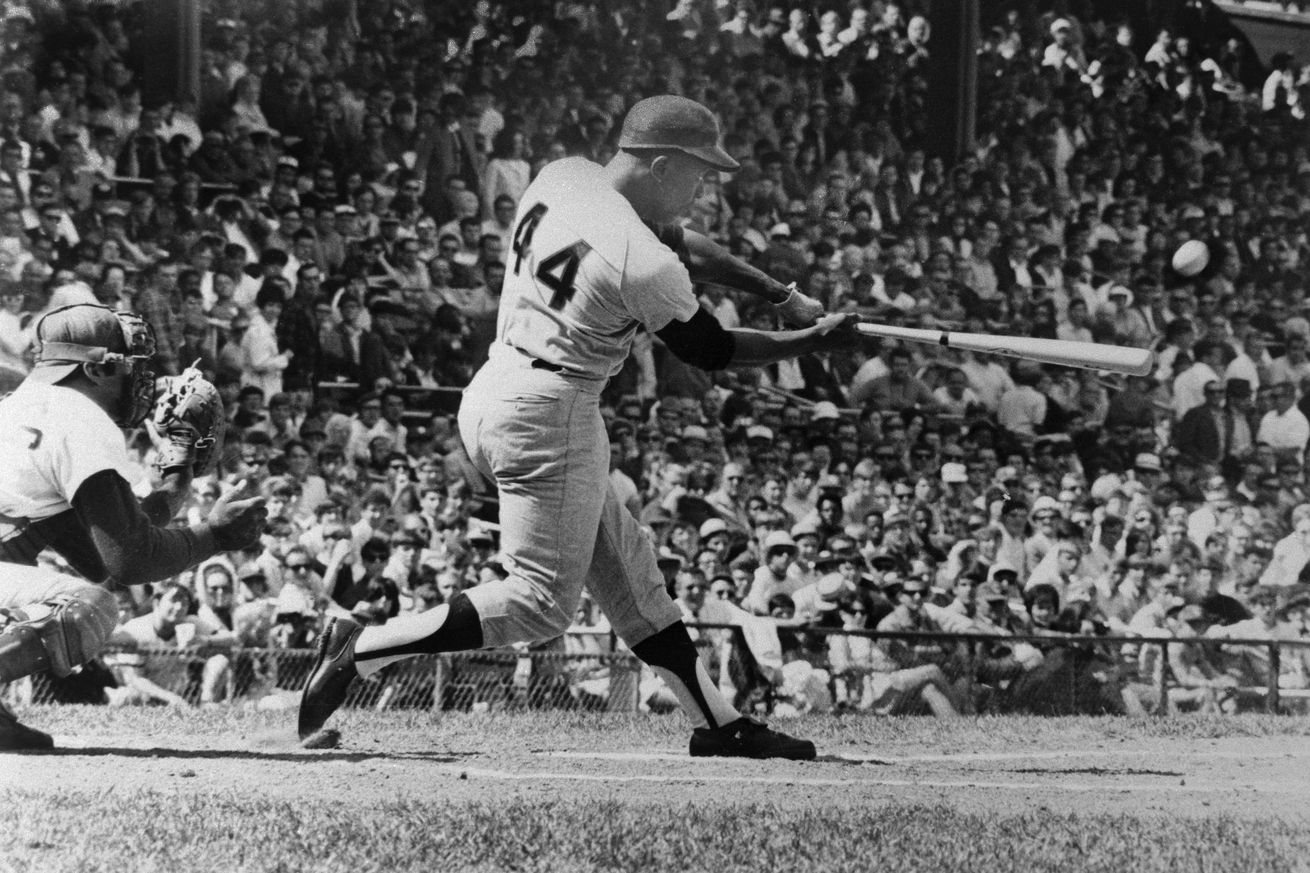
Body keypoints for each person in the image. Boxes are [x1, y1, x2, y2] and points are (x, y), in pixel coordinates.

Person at [299, 95, 853, 759]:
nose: (703, 187)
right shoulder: (639, 260)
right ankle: (362, 648)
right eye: (698, 171)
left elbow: (681, 243)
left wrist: (782, 295)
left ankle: (720, 721)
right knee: (538, 604)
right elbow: (712, 349)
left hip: (498, 385)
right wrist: (810, 342)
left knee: (633, 581)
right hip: (551, 409)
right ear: (658, 165)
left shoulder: (562, 174)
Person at [0, 304, 267, 749]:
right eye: (131, 367)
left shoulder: (17, 407)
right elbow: (130, 561)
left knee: (70, 598)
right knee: (90, 608)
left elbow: (99, 554)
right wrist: (217, 534)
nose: (142, 380)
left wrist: (175, 479)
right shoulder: (79, 417)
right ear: (93, 368)